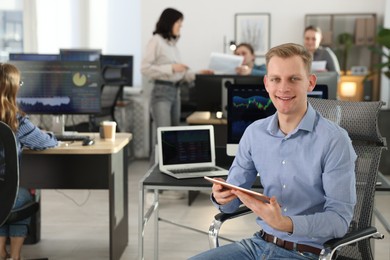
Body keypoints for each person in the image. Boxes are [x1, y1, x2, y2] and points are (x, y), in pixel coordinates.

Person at [190, 43, 357, 260]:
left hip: (306, 253)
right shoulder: (254, 134)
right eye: (276, 79)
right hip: (258, 244)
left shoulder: (334, 140)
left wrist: (285, 224)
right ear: (266, 83)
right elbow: (231, 204)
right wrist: (221, 197)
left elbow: (339, 221)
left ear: (310, 82)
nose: (283, 88)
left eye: (293, 79)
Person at [141, 8, 211, 199]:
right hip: (161, 93)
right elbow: (145, 68)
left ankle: (167, 184)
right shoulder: (156, 41)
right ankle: (150, 189)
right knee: (161, 141)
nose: (181, 26)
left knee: (172, 141)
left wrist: (198, 74)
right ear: (170, 22)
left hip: (175, 92)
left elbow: (180, 74)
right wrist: (172, 67)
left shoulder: (172, 45)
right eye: (179, 23)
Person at [0, 63, 58, 260]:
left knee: (8, 199)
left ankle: (1, 252)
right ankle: (15, 256)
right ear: (12, 89)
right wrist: (51, 135)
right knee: (20, 196)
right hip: (6, 194)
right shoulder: (17, 122)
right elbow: (47, 143)